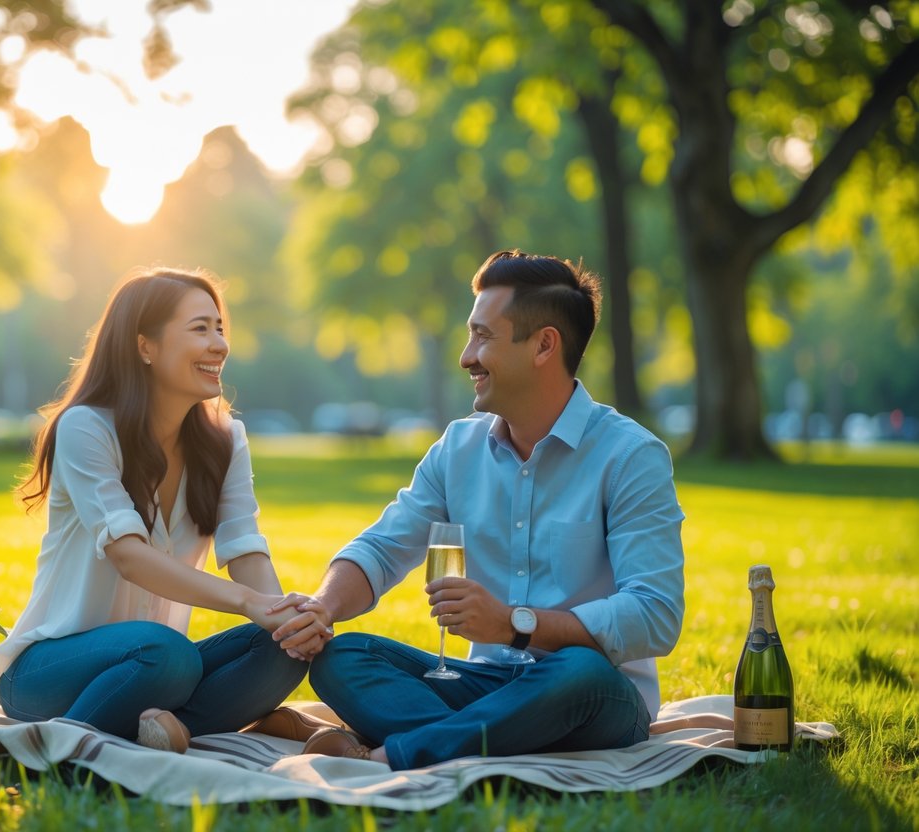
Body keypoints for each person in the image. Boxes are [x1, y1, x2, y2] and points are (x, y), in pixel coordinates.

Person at [270, 249, 685, 769]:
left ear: (543, 345)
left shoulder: (630, 456)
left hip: (591, 693)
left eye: (483, 337)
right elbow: (382, 546)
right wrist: (322, 608)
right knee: (343, 657)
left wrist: (514, 624)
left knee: (581, 672)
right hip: (485, 686)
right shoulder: (457, 448)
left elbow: (655, 614)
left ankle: (393, 754)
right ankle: (485, 738)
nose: (467, 356)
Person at [0, 267, 307, 753]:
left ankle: (158, 726)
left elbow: (244, 545)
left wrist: (283, 618)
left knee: (283, 651)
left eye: (220, 328)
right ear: (146, 346)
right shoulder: (86, 428)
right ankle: (95, 743)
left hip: (157, 668)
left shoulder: (226, 439)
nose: (220, 344)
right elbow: (129, 557)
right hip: (48, 669)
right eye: (200, 328)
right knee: (167, 655)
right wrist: (248, 604)